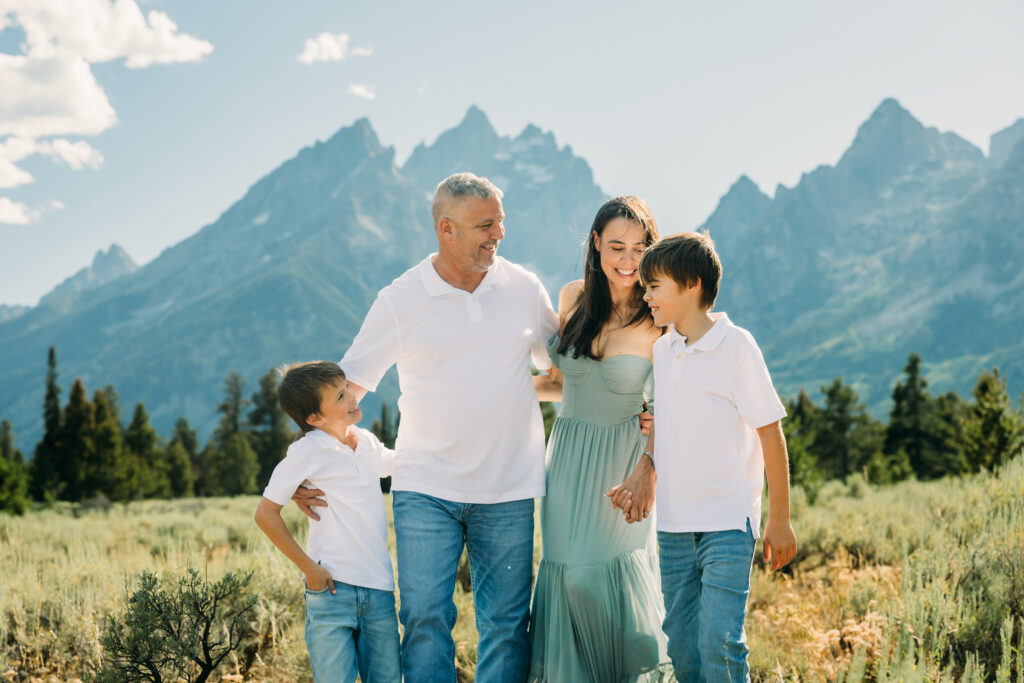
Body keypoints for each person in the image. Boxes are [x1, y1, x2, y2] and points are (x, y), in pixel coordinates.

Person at [298, 172, 559, 682]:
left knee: (507, 626)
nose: (498, 234)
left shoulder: (523, 287)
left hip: (508, 489)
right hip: (425, 489)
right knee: (423, 621)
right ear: (447, 229)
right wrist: (305, 463)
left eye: (500, 222)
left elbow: (561, 369)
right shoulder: (400, 299)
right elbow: (345, 389)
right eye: (486, 225)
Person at [611, 232, 798, 682]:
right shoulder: (664, 348)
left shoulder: (737, 346)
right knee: (682, 644)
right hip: (675, 527)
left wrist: (779, 519)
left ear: (692, 284)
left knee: (720, 642)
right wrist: (647, 463)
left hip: (728, 523)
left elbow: (771, 434)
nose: (646, 294)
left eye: (655, 285)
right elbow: (665, 422)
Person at [529, 196, 672, 682]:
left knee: (605, 579)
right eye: (617, 246)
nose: (629, 260)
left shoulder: (659, 314)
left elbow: (677, 400)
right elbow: (559, 383)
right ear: (595, 244)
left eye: (639, 247)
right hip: (567, 460)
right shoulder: (573, 298)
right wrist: (488, 386)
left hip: (624, 465)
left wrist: (651, 464)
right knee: (567, 577)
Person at [254, 361, 400, 683]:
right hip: (331, 590)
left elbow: (403, 463)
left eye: (347, 389)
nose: (352, 398)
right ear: (314, 419)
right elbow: (265, 513)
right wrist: (310, 569)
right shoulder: (306, 451)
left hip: (380, 592)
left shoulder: (367, 443)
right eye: (339, 397)